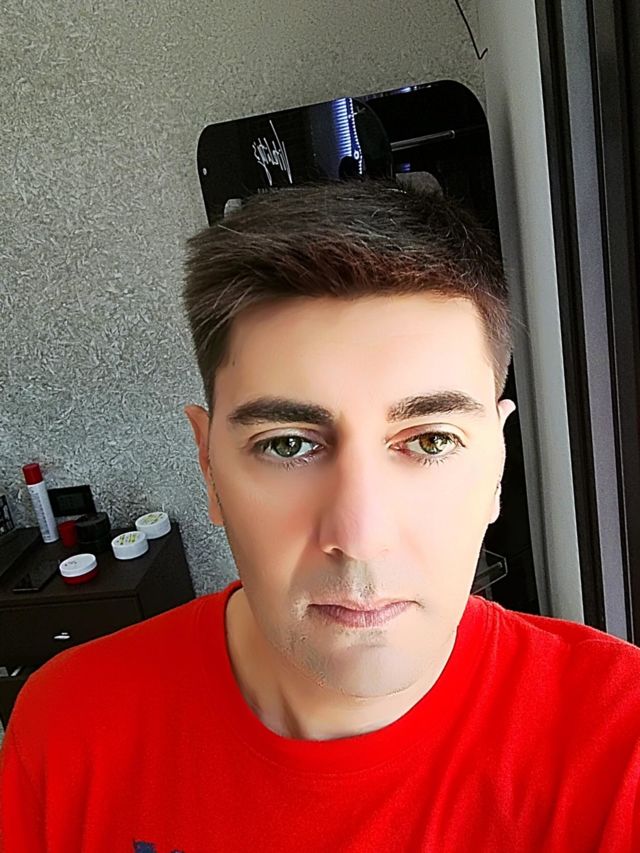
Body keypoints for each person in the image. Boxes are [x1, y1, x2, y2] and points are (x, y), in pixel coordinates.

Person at [1, 178, 639, 852]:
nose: (359, 536)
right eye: (287, 445)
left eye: (431, 440)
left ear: (497, 467)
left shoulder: (620, 745)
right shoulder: (66, 729)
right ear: (209, 465)